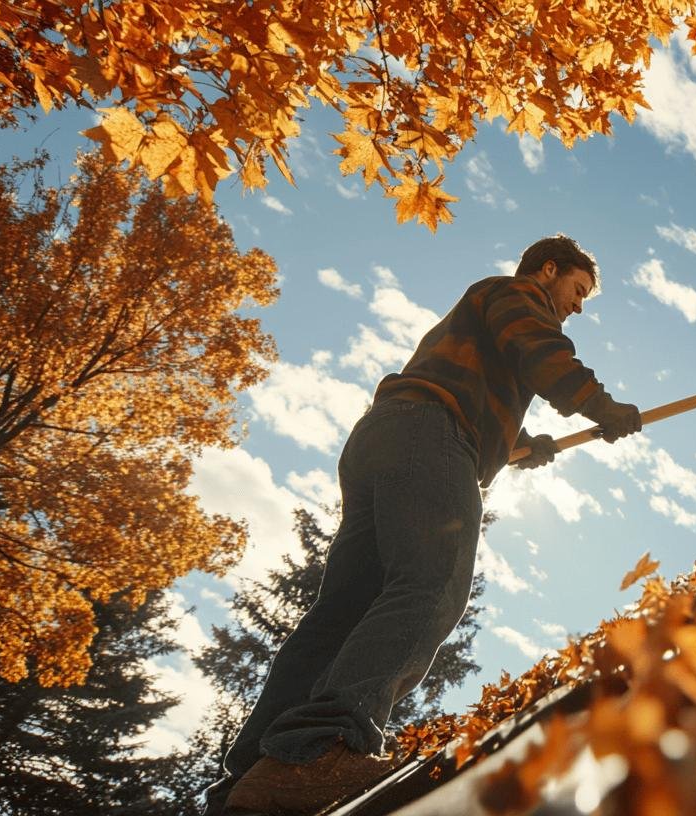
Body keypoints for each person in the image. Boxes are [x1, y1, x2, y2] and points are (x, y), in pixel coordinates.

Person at [205, 235, 642, 815]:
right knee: (430, 585)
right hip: (430, 430)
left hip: (391, 434)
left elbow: (470, 396)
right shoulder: (515, 294)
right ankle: (322, 748)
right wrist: (600, 405)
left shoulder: (478, 318)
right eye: (578, 290)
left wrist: (517, 448)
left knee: (345, 610)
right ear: (549, 269)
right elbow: (539, 354)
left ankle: (256, 775)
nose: (578, 306)